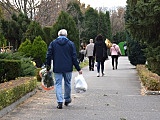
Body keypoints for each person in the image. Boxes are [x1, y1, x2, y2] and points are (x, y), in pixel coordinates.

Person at [46, 29, 82, 109]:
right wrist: (78, 68)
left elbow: (48, 55)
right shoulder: (70, 44)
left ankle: (59, 101)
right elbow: (74, 57)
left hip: (57, 67)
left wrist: (48, 67)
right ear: (66, 35)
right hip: (68, 67)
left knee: (58, 84)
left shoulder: (53, 43)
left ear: (58, 35)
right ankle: (67, 99)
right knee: (67, 83)